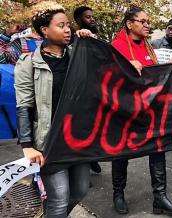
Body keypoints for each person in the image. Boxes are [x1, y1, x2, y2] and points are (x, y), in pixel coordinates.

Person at [14, 2, 94, 217]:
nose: (68, 29)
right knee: (59, 197)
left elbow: (104, 70)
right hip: (49, 142)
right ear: (44, 30)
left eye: (68, 25)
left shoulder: (78, 56)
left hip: (78, 138)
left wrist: (90, 41)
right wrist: (28, 146)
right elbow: (24, 106)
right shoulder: (28, 63)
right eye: (61, 25)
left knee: (80, 190)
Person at [111, 5, 172, 215]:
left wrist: (167, 67)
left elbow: (151, 74)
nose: (147, 25)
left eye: (148, 22)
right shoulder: (116, 46)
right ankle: (118, 194)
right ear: (129, 23)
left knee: (157, 148)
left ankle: (160, 198)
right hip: (124, 111)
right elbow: (107, 77)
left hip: (149, 110)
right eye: (142, 21)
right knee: (121, 153)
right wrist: (125, 66)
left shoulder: (149, 47)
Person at [73, 6, 102, 174]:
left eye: (93, 16)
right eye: (87, 17)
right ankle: (84, 163)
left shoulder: (97, 38)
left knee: (95, 127)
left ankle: (91, 158)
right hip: (80, 91)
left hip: (96, 89)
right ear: (79, 20)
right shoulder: (77, 38)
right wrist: (81, 35)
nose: (92, 19)